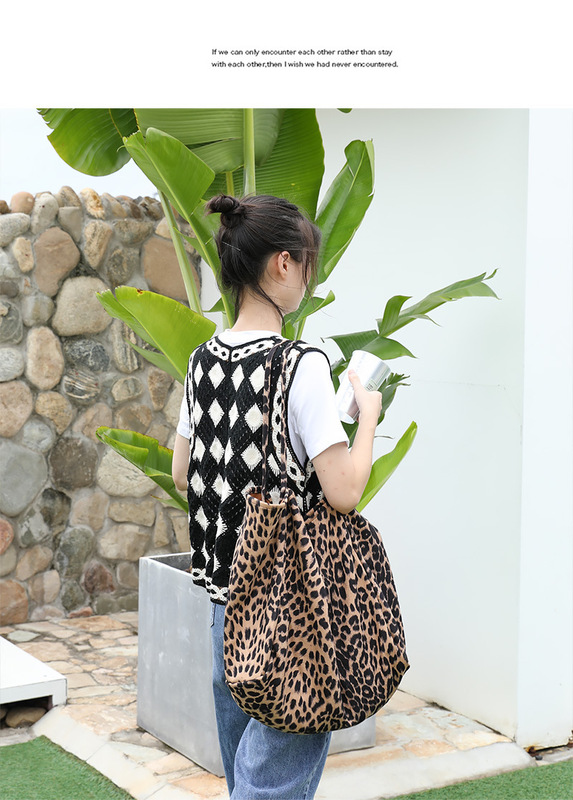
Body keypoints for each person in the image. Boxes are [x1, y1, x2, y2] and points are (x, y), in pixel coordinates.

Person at [172, 194, 382, 800]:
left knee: (246, 773)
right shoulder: (300, 364)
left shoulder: (201, 361)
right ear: (283, 263)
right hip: (291, 606)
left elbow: (184, 471)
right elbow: (343, 491)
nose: (308, 278)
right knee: (270, 786)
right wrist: (366, 416)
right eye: (307, 264)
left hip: (224, 599)